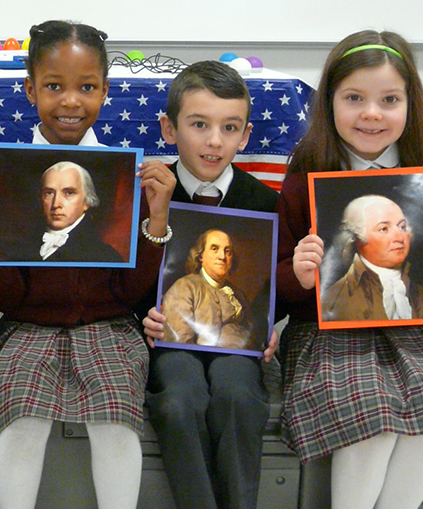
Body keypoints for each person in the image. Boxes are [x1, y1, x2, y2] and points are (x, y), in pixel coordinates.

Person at [0, 20, 176, 508]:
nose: (70, 101)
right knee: (22, 416)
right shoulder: (5, 180)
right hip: (24, 325)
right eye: (54, 86)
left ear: (106, 91)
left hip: (110, 325)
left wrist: (156, 218)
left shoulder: (128, 179)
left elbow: (135, 291)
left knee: (116, 417)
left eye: (87, 87)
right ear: (30, 89)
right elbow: (2, 294)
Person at [278, 31, 423, 508]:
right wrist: (299, 275)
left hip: (412, 332)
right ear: (329, 104)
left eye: (389, 99)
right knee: (371, 417)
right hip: (324, 336)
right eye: (354, 98)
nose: (371, 113)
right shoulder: (301, 181)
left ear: (411, 107)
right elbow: (275, 281)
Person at [139, 60, 279, 508]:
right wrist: (141, 314)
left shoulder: (265, 202)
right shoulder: (147, 193)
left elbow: (272, 286)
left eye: (229, 127)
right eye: (199, 124)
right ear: (169, 128)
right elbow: (127, 276)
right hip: (168, 338)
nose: (214, 141)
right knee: (180, 399)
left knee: (238, 395)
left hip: (237, 344)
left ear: (246, 135)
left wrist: (271, 327)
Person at [321, 194, 423, 322]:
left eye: (402, 227)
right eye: (384, 229)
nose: (400, 237)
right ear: (356, 237)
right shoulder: (334, 301)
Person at [160, 229, 255, 350]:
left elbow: (252, 336)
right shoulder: (184, 287)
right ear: (200, 256)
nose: (222, 257)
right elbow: (179, 342)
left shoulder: (238, 295)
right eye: (214, 249)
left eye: (227, 251)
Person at [31, 160, 122, 262]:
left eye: (69, 193)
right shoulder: (22, 248)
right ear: (41, 198)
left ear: (86, 201)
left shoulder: (105, 255)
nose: (56, 204)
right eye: (49, 193)